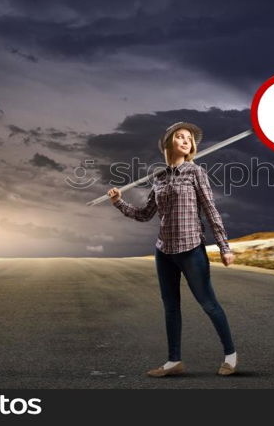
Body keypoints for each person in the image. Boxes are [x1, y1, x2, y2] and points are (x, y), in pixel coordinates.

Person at [107, 121, 238, 377]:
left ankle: (231, 356)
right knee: (170, 307)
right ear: (169, 143)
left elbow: (211, 210)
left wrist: (224, 246)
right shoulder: (159, 177)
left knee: (209, 304)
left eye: (189, 138)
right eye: (180, 136)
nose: (186, 140)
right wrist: (118, 202)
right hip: (164, 251)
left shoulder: (195, 172)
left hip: (191, 249)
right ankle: (173, 361)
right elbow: (145, 214)